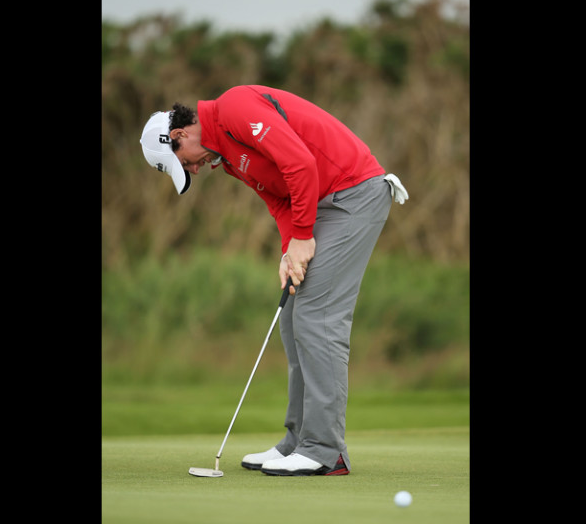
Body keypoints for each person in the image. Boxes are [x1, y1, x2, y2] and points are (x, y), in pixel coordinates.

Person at [139, 85, 408, 476]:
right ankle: (298, 442)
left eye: (186, 164)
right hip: (323, 205)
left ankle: (325, 451)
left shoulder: (233, 109)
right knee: (292, 316)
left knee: (317, 317)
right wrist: (290, 250)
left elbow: (300, 163)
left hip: (354, 195)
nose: (194, 170)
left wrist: (302, 236)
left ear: (178, 136)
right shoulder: (227, 159)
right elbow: (280, 197)